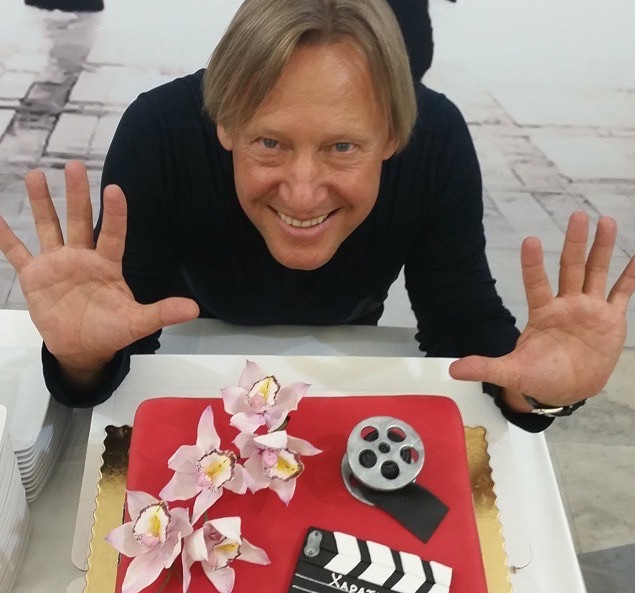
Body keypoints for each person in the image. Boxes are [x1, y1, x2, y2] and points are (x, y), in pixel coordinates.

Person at [0, 0, 633, 432]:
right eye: (269, 142)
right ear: (225, 123)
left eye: (343, 147)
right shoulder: (160, 135)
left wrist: (538, 392)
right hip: (196, 337)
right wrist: (79, 358)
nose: (303, 195)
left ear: (393, 136)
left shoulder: (435, 140)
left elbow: (462, 322)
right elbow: (124, 330)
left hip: (346, 337)